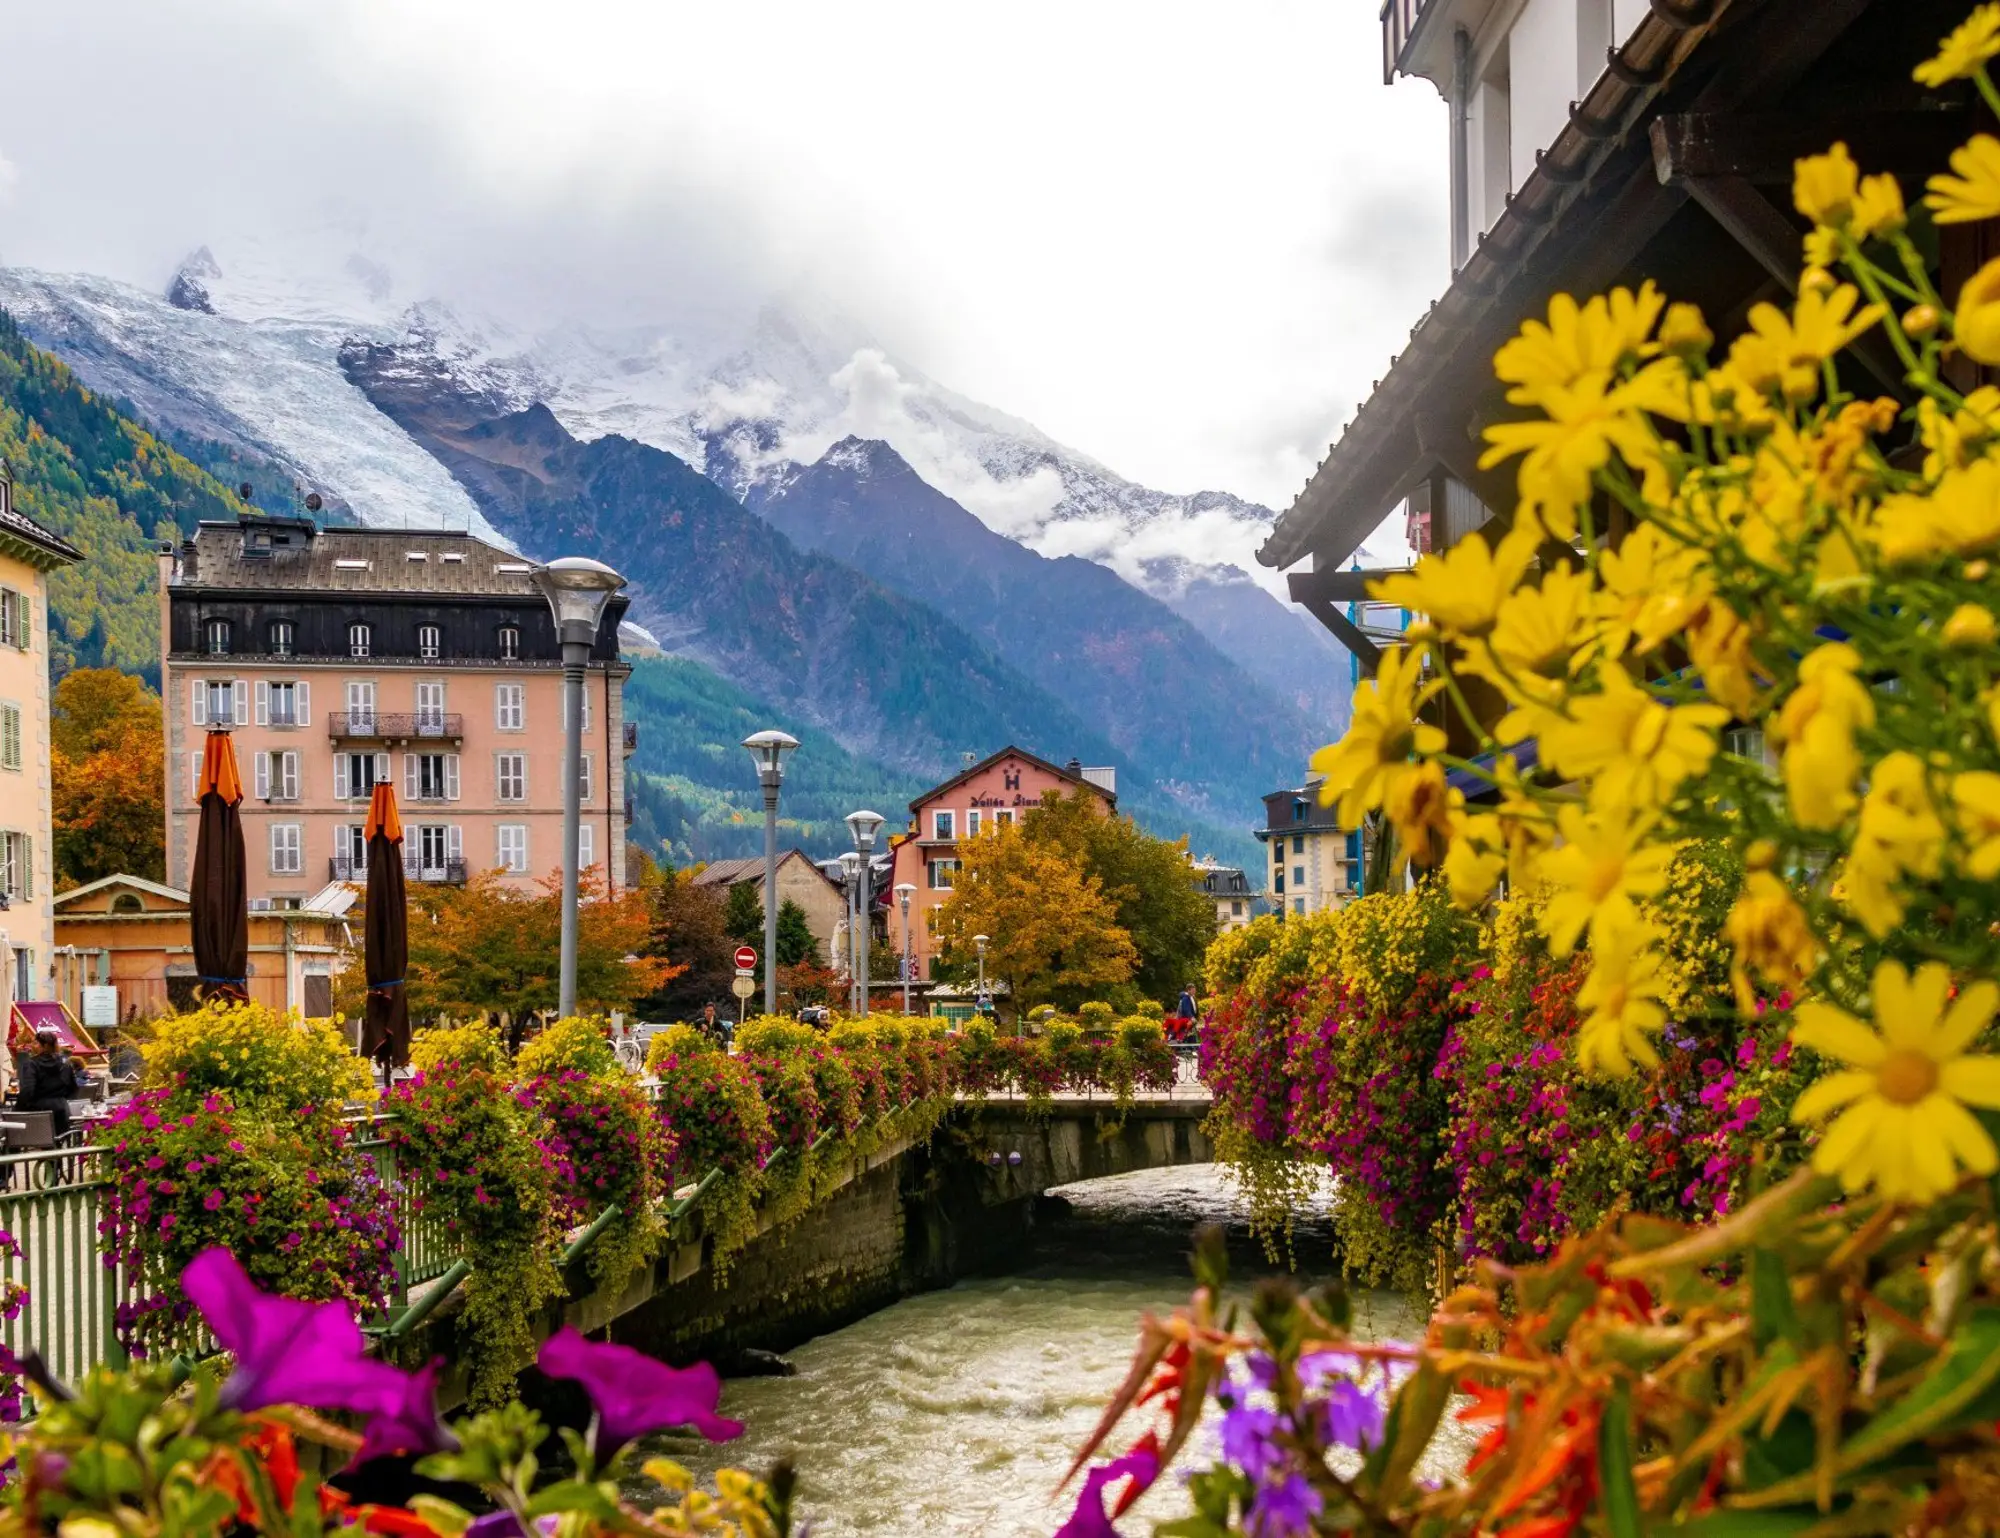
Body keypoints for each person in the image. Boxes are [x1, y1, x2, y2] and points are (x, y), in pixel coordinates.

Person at [17, 1030, 82, 1138]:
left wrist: (18, 1110)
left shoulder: (31, 1065)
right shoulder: (65, 1064)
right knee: (58, 1145)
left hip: (37, 1115)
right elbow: (73, 1089)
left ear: (45, 1045)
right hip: (61, 1112)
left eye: (35, 1043)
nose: (32, 1046)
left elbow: (27, 1091)